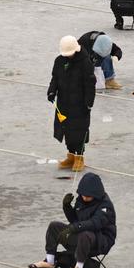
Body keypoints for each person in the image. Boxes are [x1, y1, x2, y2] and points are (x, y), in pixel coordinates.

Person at [27, 173, 116, 268]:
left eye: (88, 196)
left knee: (85, 234)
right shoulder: (81, 200)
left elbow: (95, 223)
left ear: (96, 194)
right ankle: (50, 261)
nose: (84, 197)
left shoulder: (105, 206)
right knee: (54, 226)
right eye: (83, 195)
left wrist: (73, 228)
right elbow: (75, 220)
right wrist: (67, 207)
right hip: (83, 235)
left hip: (101, 241)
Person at [47, 35, 96, 172]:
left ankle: (79, 157)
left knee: (79, 131)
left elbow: (90, 84)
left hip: (80, 104)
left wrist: (89, 103)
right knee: (66, 130)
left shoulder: (85, 63)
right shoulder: (59, 61)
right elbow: (55, 78)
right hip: (63, 103)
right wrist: (51, 91)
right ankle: (71, 156)